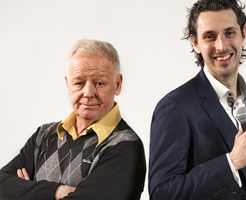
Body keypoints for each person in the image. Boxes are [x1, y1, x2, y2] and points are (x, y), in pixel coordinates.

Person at [149, 0, 246, 199]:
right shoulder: (174, 107)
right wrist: (231, 162)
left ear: (244, 34)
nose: (221, 46)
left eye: (229, 33)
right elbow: (162, 193)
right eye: (210, 36)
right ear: (195, 42)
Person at [0, 39, 146, 200]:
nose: (88, 93)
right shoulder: (43, 136)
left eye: (99, 83)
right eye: (79, 83)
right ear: (68, 85)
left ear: (117, 84)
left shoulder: (124, 146)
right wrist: (57, 192)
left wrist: (24, 192)